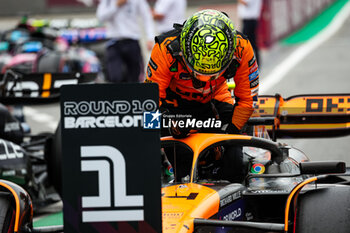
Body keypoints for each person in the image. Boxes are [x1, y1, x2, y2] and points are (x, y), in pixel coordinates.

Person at [145, 9, 259, 182]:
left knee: (234, 161)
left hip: (216, 97)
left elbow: (248, 99)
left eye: (211, 73)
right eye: (198, 71)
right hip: (174, 105)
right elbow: (148, 105)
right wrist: (166, 123)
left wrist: (231, 132)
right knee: (183, 171)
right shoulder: (165, 49)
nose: (204, 78)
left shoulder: (242, 47)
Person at [96, 0, 155, 83]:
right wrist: (116, 6)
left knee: (134, 76)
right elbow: (100, 17)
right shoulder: (108, 1)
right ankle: (118, 95)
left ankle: (132, 95)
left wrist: (150, 38)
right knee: (115, 76)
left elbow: (147, 17)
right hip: (114, 42)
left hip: (132, 41)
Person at [237, 0, 262, 66]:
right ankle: (254, 62)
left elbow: (246, 3)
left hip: (250, 20)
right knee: (249, 42)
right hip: (248, 20)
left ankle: (252, 63)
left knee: (246, 42)